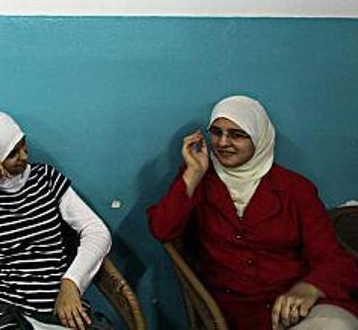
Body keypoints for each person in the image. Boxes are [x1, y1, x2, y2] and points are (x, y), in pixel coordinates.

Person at [147, 95, 358, 330]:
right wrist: (193, 173)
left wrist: (308, 288)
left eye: (237, 135)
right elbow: (162, 229)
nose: (223, 142)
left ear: (259, 138)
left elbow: (333, 258)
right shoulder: (200, 180)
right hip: (237, 312)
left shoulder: (295, 189)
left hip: (299, 305)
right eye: (216, 132)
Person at [0, 109, 113, 330]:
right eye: (12, 153)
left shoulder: (46, 178)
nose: (24, 156)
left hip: (55, 303)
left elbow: (97, 231)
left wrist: (72, 283)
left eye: (23, 144)